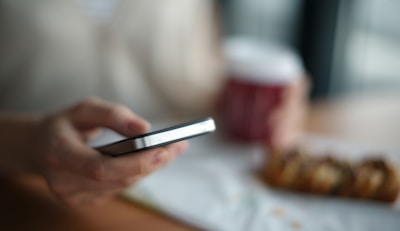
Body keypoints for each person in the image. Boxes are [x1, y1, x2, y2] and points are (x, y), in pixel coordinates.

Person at [0, 0, 308, 206]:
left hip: (190, 193)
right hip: (24, 197)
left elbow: (201, 69)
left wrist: (268, 106)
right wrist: (24, 142)